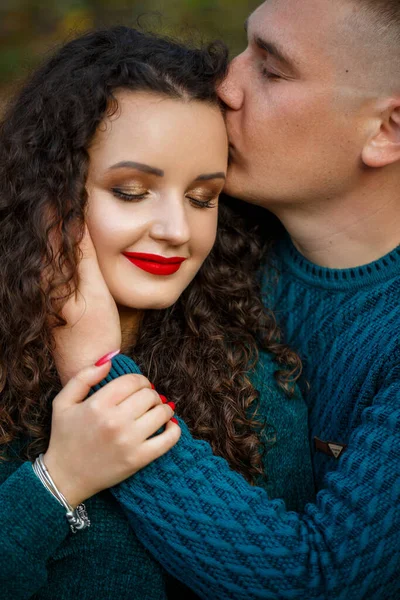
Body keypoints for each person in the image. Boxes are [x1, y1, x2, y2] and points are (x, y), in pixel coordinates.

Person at [66, 1, 398, 598]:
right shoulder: (192, 243)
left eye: (271, 71)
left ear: (387, 130)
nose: (224, 83)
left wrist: (103, 375)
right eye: (246, 49)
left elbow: (323, 586)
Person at [0, 26, 315, 600]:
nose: (176, 231)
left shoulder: (254, 388)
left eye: (202, 198)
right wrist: (56, 484)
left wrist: (99, 368)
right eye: (131, 189)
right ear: (50, 195)